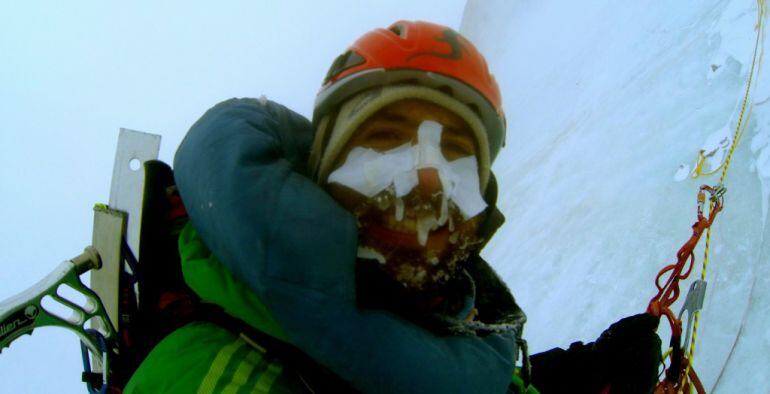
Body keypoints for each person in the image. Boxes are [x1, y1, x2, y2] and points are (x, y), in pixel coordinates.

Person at [124, 20, 661, 394]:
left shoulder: (440, 319)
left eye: (455, 153)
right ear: (321, 173)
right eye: (385, 139)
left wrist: (584, 374)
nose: (428, 177)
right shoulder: (214, 377)